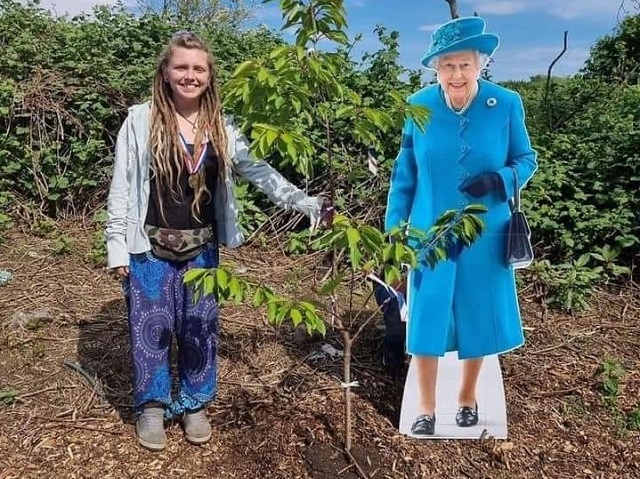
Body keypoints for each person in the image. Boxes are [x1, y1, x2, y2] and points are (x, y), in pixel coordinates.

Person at [105, 31, 326, 451]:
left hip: (202, 245)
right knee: (151, 327)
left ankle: (194, 403)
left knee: (199, 325)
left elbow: (259, 172)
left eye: (198, 68)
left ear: (209, 75)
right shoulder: (139, 121)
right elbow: (121, 188)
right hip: (148, 244)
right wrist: (117, 246)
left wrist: (306, 203)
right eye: (182, 67)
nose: (190, 75)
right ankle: (151, 406)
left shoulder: (221, 126)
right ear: (166, 73)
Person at [384, 17, 537, 436]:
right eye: (447, 65)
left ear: (480, 65)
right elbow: (405, 176)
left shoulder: (505, 103)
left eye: (465, 65)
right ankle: (427, 407)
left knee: (478, 314)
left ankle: (468, 397)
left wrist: (500, 180)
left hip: (486, 231)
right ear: (436, 68)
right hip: (429, 232)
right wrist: (394, 232)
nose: (456, 74)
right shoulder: (419, 105)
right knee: (427, 318)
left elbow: (526, 159)